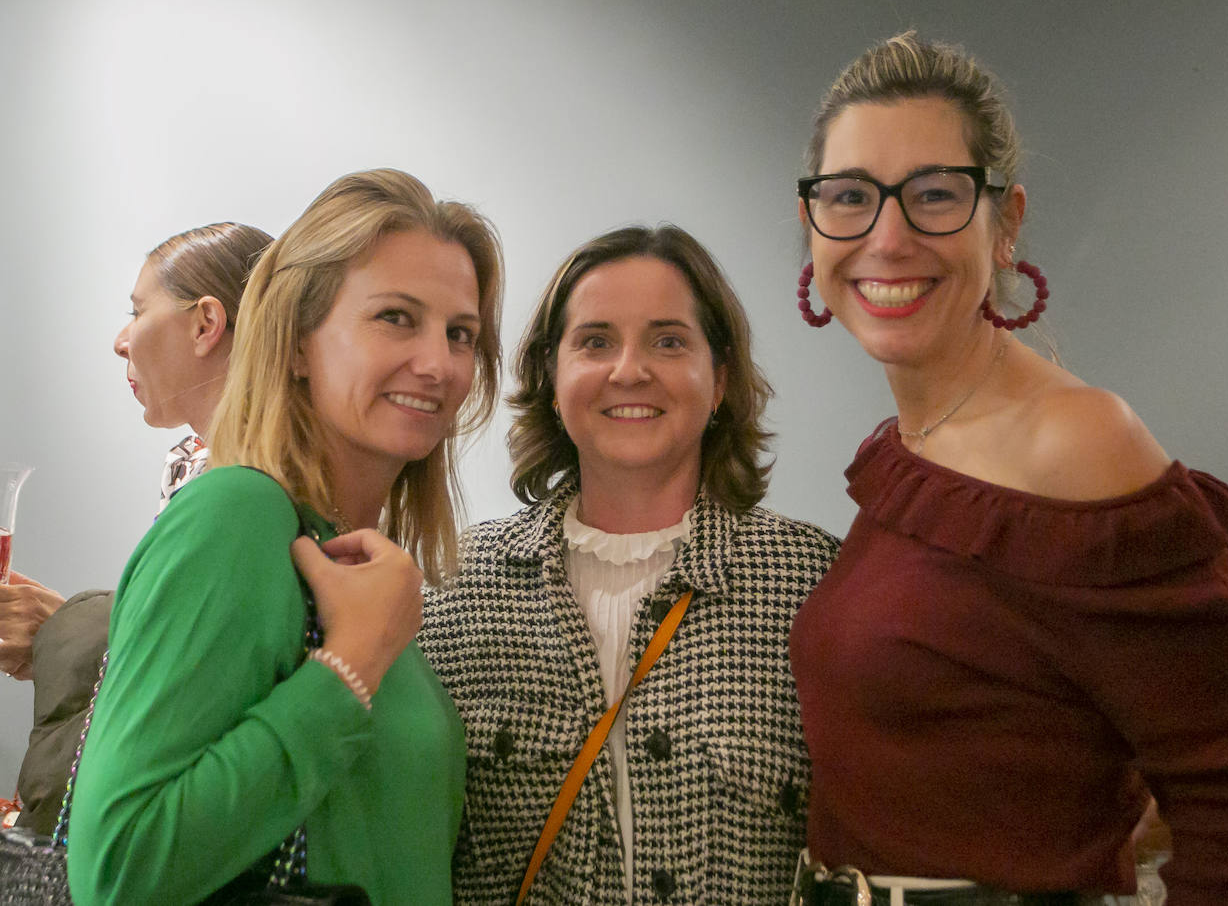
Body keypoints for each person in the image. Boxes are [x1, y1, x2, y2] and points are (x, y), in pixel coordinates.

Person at [787, 31, 1228, 905]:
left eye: (935, 195)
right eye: (852, 197)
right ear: (813, 226)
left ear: (1006, 222)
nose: (887, 237)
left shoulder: (1078, 442)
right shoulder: (905, 450)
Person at [65, 168, 504, 906]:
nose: (439, 364)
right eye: (396, 317)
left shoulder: (358, 560)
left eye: (460, 333)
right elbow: (119, 871)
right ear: (296, 342)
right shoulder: (236, 515)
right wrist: (352, 667)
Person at [420, 225, 839, 905]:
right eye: (595, 341)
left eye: (669, 341)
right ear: (552, 376)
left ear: (721, 377)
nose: (629, 370)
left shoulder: (813, 584)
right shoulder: (452, 589)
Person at [6, 221, 272, 835]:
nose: (120, 340)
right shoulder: (192, 461)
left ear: (207, 323)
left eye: (137, 311)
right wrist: (70, 629)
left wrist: (71, 633)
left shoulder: (259, 485)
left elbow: (202, 693)